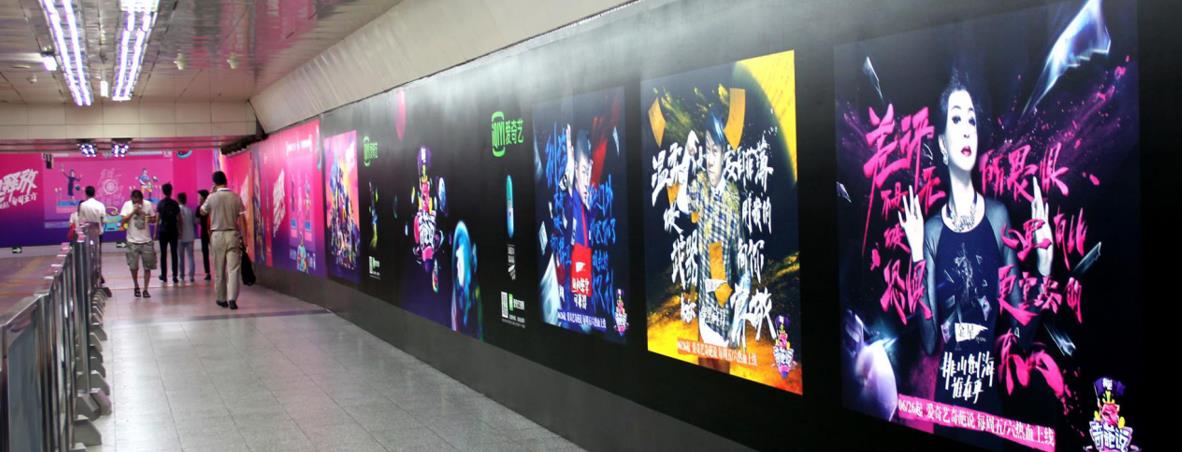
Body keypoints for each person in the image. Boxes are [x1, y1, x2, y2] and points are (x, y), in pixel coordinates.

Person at [897, 70, 1053, 447]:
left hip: (989, 413)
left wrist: (1044, 264)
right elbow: (929, 340)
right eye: (956, 119)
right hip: (948, 414)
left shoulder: (998, 218)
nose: (967, 130)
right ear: (943, 144)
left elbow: (1022, 334)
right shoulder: (932, 231)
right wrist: (917, 254)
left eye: (972, 120)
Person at [201, 171, 246, 310]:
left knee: (219, 268)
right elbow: (242, 219)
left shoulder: (211, 197)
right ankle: (232, 298)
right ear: (226, 181)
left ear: (214, 183)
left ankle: (221, 298)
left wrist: (210, 193)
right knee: (233, 269)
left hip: (217, 235)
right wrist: (244, 237)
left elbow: (202, 211)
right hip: (233, 234)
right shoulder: (236, 197)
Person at [120, 189, 157, 298]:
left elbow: (153, 219)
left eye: (138, 201)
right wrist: (133, 212)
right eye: (134, 201)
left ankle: (146, 289)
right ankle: (136, 286)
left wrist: (142, 213)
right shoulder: (127, 205)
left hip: (146, 241)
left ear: (142, 199)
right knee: (133, 267)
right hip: (132, 241)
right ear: (131, 199)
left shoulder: (148, 204)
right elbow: (123, 221)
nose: (136, 203)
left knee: (148, 267)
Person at [156, 183, 181, 284]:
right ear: (171, 191)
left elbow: (157, 219)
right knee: (174, 253)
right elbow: (179, 218)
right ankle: (175, 276)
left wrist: (155, 233)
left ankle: (164, 275)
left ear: (163, 191)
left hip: (163, 231)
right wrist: (180, 230)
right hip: (173, 231)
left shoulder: (160, 204)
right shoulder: (175, 203)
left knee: (163, 254)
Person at [177, 192, 197, 284]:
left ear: (178, 200)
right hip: (190, 236)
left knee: (181, 258)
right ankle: (191, 276)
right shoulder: (190, 210)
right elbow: (194, 222)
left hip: (180, 237)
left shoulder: (177, 210)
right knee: (191, 257)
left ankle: (181, 275)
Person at [197, 189, 212, 280]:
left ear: (204, 197)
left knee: (207, 252)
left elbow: (198, 221)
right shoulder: (210, 207)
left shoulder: (200, 208)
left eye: (200, 197)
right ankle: (208, 272)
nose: (199, 198)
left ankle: (208, 272)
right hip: (208, 232)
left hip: (208, 232)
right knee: (207, 252)